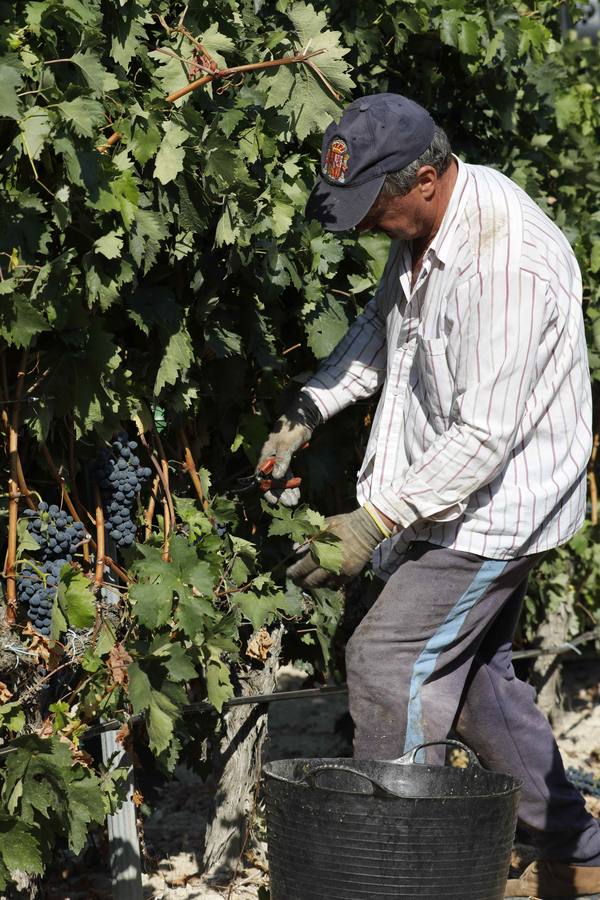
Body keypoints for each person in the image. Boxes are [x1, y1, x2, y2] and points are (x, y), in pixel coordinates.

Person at [255, 93, 600, 897]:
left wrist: (371, 521)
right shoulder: (423, 232)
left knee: (388, 662)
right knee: (476, 685)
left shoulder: (506, 261)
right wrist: (310, 407)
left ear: (425, 179)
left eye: (373, 208)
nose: (367, 226)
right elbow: (382, 327)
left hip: (495, 507)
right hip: (447, 495)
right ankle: (580, 854)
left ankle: (403, 876)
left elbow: (482, 436)